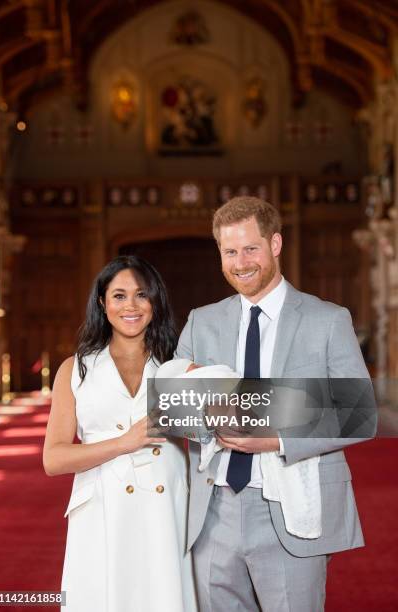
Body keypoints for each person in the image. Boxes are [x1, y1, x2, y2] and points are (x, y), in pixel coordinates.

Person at [175, 196, 376, 612]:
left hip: (290, 504)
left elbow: (359, 413)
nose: (240, 262)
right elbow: (176, 410)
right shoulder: (202, 320)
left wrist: (274, 437)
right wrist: (205, 416)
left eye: (251, 248)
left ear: (276, 244)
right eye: (229, 252)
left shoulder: (327, 319)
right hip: (214, 511)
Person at [43, 255, 198, 612]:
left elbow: (225, 420)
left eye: (142, 295)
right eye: (119, 295)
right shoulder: (76, 369)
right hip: (101, 511)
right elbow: (54, 459)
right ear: (102, 302)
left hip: (167, 511)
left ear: (155, 302)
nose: (131, 305)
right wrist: (123, 443)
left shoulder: (179, 365)